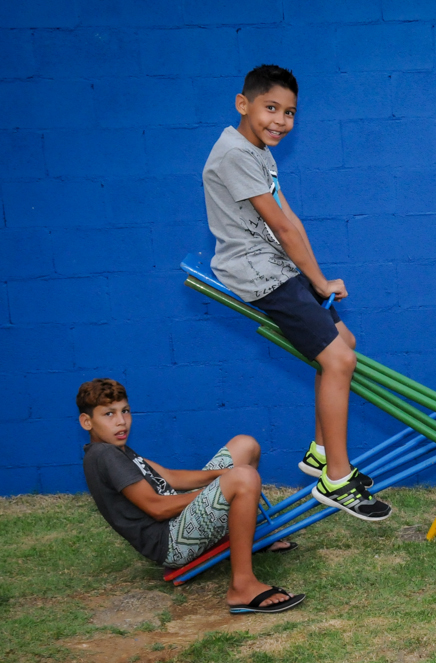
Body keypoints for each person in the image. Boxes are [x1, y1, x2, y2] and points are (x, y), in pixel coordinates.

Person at [202, 63, 390, 521]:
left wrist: (318, 279)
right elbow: (281, 227)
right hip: (256, 272)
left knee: (345, 343)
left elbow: (293, 223)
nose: (281, 121)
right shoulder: (234, 154)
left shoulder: (257, 151)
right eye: (271, 108)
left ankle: (320, 453)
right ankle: (337, 481)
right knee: (338, 360)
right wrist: (318, 283)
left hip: (277, 267)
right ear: (242, 103)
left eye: (289, 113)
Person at [77, 378, 305, 615]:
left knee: (245, 445)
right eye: (109, 414)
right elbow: (158, 508)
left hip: (180, 520)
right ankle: (242, 586)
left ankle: (239, 535)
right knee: (244, 477)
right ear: (87, 421)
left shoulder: (116, 449)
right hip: (171, 542)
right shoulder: (104, 455)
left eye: (125, 411)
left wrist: (223, 475)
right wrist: (225, 486)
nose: (121, 421)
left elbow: (170, 477)